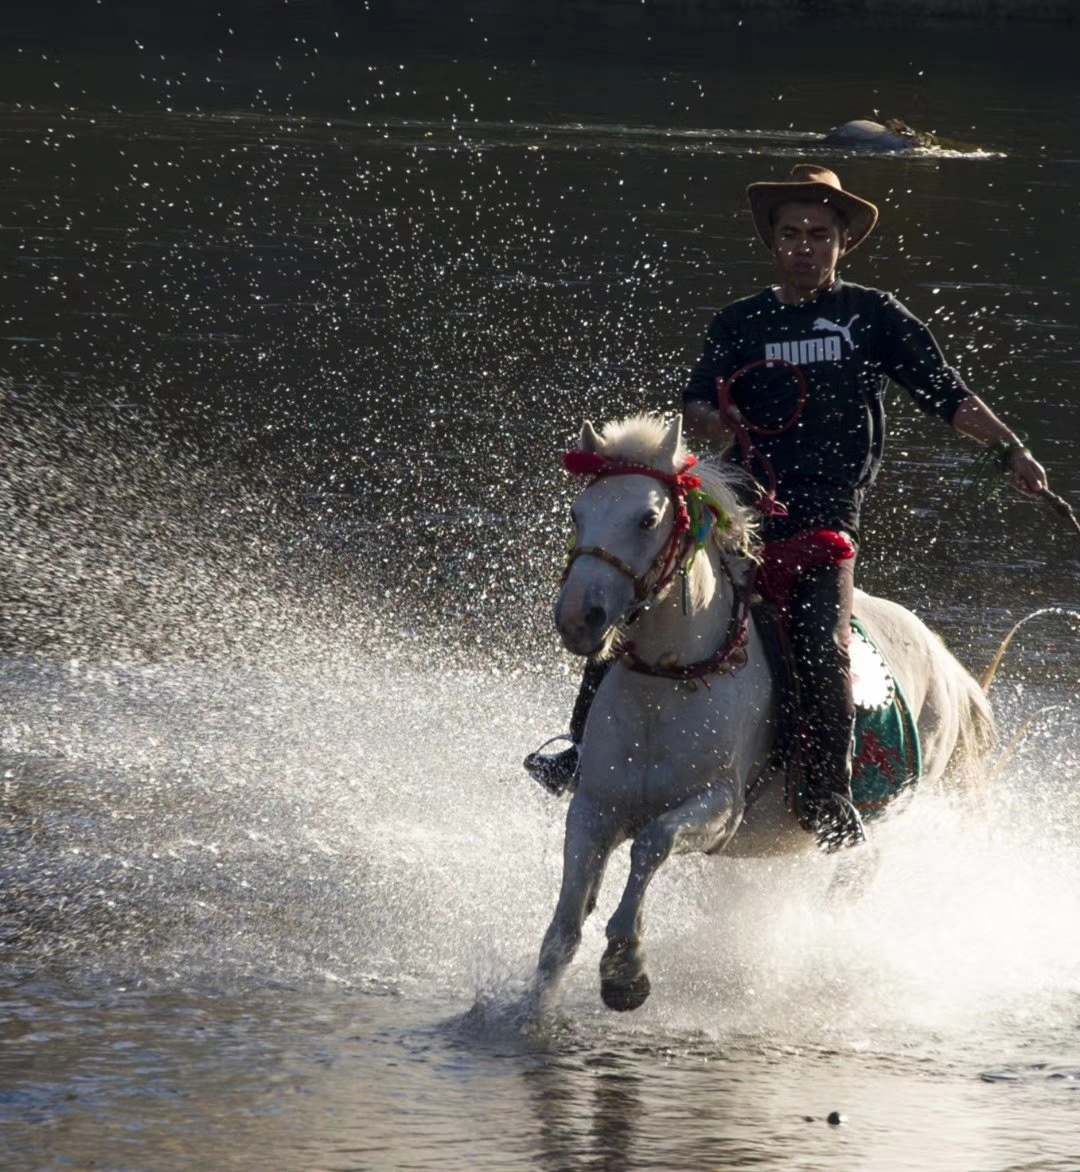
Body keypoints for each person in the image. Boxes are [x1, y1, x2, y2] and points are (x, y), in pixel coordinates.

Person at [525, 164, 1048, 850]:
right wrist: (712, 418)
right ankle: (580, 745)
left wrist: (1008, 449)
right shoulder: (740, 321)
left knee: (820, 645)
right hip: (738, 517)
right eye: (792, 233)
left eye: (820, 235)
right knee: (639, 598)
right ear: (773, 242)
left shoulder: (873, 316)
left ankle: (829, 795)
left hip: (823, 522)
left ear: (842, 244)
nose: (806, 246)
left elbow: (944, 392)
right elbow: (695, 401)